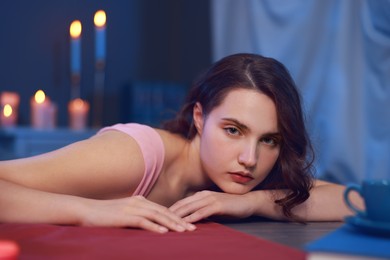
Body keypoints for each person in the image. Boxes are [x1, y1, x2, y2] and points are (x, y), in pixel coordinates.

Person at [0, 53, 362, 233]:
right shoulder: (137, 154)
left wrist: (253, 202)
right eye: (233, 130)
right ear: (201, 119)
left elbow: (356, 201)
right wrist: (87, 210)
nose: (250, 158)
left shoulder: (243, 177)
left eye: (269, 139)